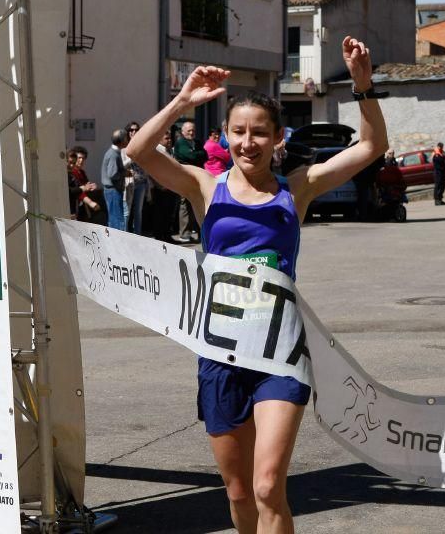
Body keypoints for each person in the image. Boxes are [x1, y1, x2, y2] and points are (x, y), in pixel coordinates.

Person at [125, 35, 387, 533]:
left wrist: (362, 85)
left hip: (279, 356)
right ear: (225, 136)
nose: (249, 143)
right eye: (239, 132)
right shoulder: (205, 186)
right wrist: (183, 98)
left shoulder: (298, 187)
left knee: (269, 487)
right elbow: (140, 151)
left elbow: (372, 146)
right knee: (240, 493)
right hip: (220, 354)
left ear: (278, 137)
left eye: (260, 133)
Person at [172, 121, 208, 242]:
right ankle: (185, 234)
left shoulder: (197, 142)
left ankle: (198, 232)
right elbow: (189, 156)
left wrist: (195, 154)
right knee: (185, 206)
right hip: (185, 177)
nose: (191, 133)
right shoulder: (180, 143)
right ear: (183, 132)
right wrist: (197, 155)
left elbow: (205, 155)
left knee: (198, 203)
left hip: (198, 177)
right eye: (189, 131)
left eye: (193, 130)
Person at [121, 121, 149, 234]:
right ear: (127, 132)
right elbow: (121, 165)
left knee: (138, 211)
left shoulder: (142, 146)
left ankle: (138, 235)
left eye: (136, 130)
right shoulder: (123, 148)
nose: (134, 132)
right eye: (131, 130)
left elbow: (146, 165)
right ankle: (124, 235)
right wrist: (132, 157)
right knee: (126, 211)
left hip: (141, 182)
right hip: (129, 183)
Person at [66, 146, 105, 224]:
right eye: (79, 158)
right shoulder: (72, 173)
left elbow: (85, 186)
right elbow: (76, 190)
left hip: (81, 207)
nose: (81, 160)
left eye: (83, 158)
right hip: (77, 205)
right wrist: (90, 202)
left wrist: (89, 187)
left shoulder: (82, 172)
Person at [102, 129, 129, 230]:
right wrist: (124, 173)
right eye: (126, 138)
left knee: (114, 218)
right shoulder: (113, 154)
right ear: (121, 140)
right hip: (113, 190)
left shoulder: (113, 152)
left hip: (112, 190)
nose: (127, 140)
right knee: (117, 220)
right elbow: (112, 174)